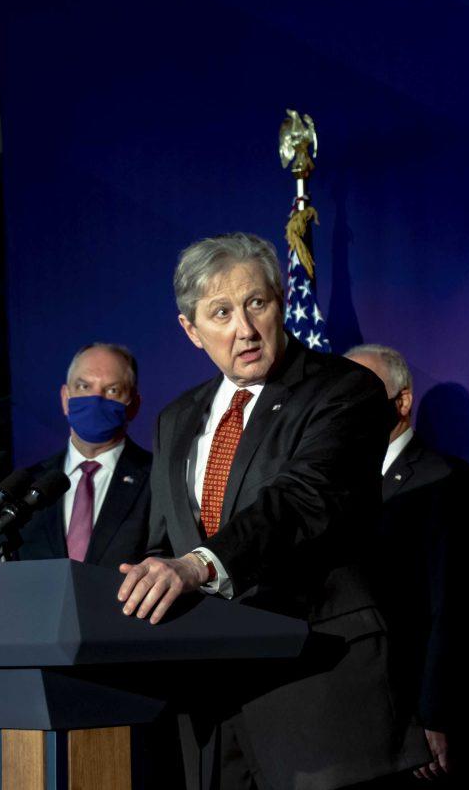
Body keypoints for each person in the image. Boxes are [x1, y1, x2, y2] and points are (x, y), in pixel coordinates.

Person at [117, 233, 427, 790]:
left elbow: (301, 501)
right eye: (221, 312)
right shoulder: (175, 420)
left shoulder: (344, 390)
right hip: (213, 709)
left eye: (257, 303)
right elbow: (164, 543)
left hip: (320, 694)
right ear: (191, 330)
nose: (245, 327)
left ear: (281, 303)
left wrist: (197, 566)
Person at [346, 344, 469, 785]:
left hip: (415, 722)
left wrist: (434, 715)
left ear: (402, 401)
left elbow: (455, 607)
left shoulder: (448, 481)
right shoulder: (333, 488)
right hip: (348, 719)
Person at [18, 343, 152, 566]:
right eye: (83, 386)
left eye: (112, 390)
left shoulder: (159, 480)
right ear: (65, 398)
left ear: (134, 405)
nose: (95, 399)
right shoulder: (26, 487)